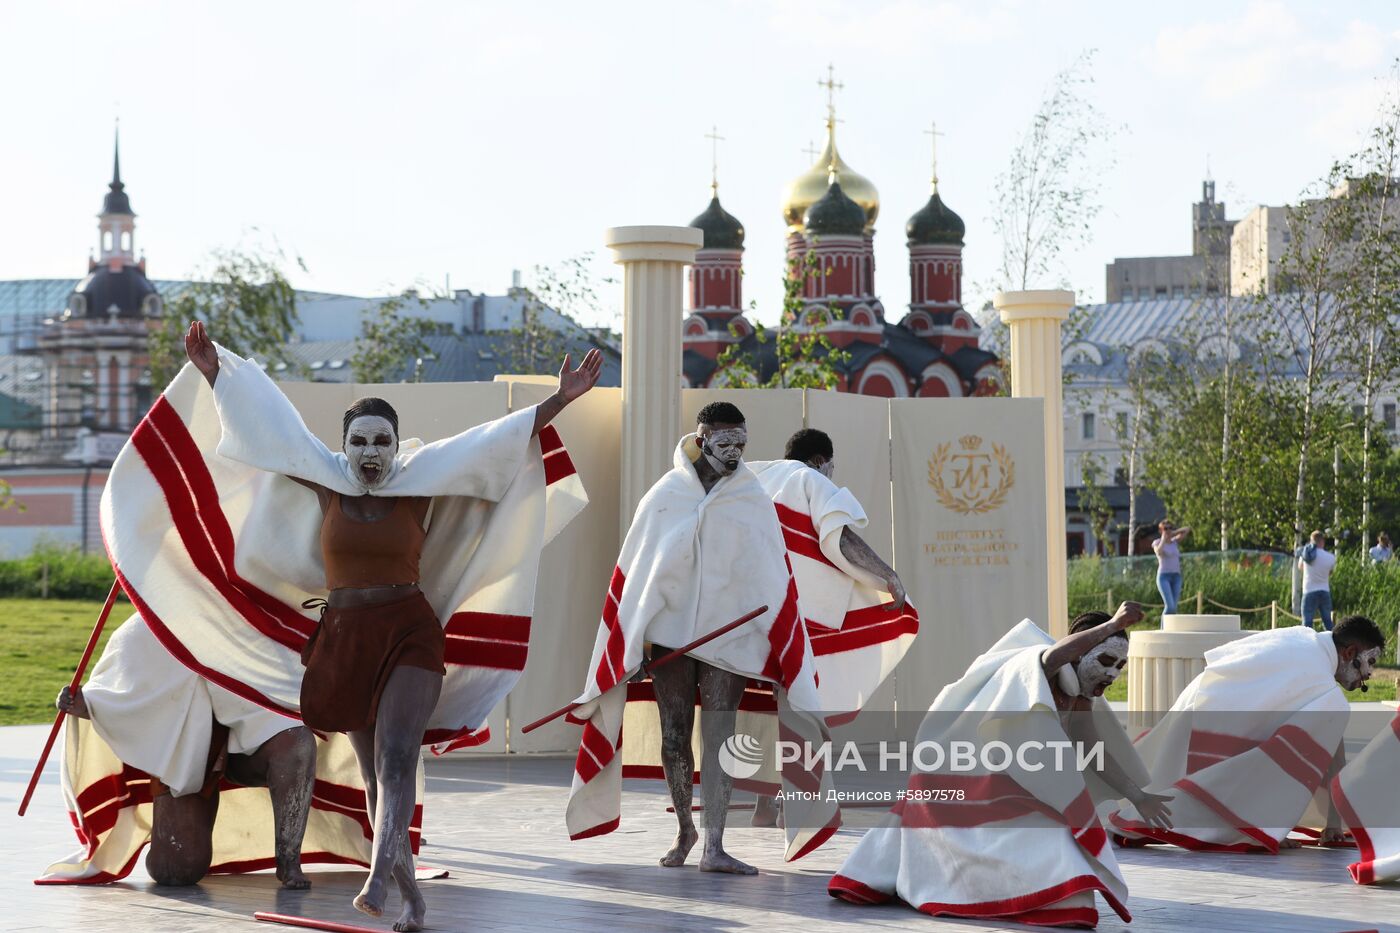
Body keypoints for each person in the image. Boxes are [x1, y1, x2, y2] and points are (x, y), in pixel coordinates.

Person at [101, 322, 596, 931]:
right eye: (359, 440)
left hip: (409, 633)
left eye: (381, 441)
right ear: (344, 445)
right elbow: (273, 433)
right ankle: (411, 896)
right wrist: (215, 371)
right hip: (346, 639)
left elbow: (492, 444)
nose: (370, 452)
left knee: (395, 757)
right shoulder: (326, 483)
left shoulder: (423, 479)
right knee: (370, 771)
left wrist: (562, 400)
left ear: (395, 446)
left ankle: (376, 884)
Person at [565, 402, 831, 873]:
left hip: (728, 641)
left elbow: (770, 571)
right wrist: (638, 640)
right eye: (725, 443)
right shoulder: (666, 495)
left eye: (741, 445)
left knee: (719, 734)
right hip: (671, 640)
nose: (734, 454)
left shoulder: (750, 497)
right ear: (702, 437)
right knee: (673, 736)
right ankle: (686, 829)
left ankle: (715, 843)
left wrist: (769, 634)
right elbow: (640, 574)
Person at [830, 603, 1167, 928]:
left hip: (1013, 784)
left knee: (1052, 843)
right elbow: (1055, 655)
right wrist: (1111, 626)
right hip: (972, 780)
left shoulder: (1080, 698)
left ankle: (1038, 897)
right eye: (1106, 660)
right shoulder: (1040, 665)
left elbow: (1094, 748)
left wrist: (1137, 795)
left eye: (1119, 666)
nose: (1112, 673)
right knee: (1046, 841)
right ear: (1080, 653)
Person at [39, 612, 335, 887]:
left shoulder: (260, 602)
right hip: (187, 754)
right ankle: (160, 830)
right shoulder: (156, 612)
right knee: (176, 872)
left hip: (255, 741)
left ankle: (288, 861)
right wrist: (91, 703)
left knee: (296, 744)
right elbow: (121, 677)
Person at [746, 427, 916, 827]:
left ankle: (762, 806)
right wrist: (887, 576)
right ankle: (798, 804)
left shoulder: (759, 476)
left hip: (749, 616)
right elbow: (838, 537)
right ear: (822, 461)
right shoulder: (809, 479)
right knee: (798, 708)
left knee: (763, 711)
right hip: (788, 621)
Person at [1109, 615, 1383, 852]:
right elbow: (1282, 757)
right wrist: (1269, 828)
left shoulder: (1305, 639)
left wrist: (1332, 823)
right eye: (1369, 661)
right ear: (1348, 653)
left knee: (1157, 783)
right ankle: (1255, 826)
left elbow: (1330, 749)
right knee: (1173, 801)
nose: (1369, 674)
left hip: (1202, 697)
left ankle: (1114, 814)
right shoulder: (1326, 688)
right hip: (1215, 710)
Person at [1299, 530, 1337, 631]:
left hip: (1309, 590)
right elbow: (1330, 572)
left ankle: (1307, 645)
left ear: (1312, 541)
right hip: (1324, 590)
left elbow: (1300, 567)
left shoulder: (1305, 555)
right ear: (1322, 541)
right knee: (1327, 621)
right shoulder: (1331, 557)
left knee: (1307, 623)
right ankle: (1333, 644)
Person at [1151, 520, 1190, 616]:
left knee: (1174, 608)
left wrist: (1174, 533)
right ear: (1160, 530)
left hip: (1176, 576)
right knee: (1170, 606)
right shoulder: (1157, 542)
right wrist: (1164, 539)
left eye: (1170, 528)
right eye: (1165, 528)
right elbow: (1159, 552)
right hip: (1164, 577)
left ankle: (1170, 628)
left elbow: (1187, 529)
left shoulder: (1174, 542)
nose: (1168, 530)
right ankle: (1163, 628)